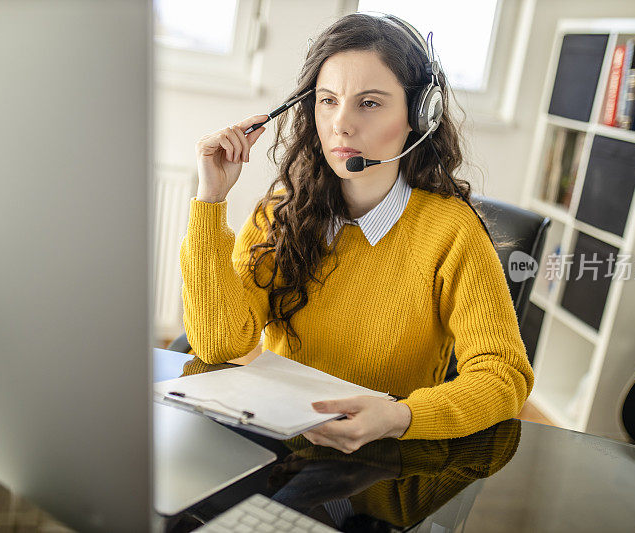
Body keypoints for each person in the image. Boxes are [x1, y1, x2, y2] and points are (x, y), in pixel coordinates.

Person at [181, 13, 534, 453]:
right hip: (282, 444)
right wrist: (210, 200)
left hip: (382, 461)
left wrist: (402, 417)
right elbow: (219, 344)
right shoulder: (282, 211)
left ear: (419, 117)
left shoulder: (451, 232)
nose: (340, 124)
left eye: (369, 103)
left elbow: (504, 374)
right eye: (328, 100)